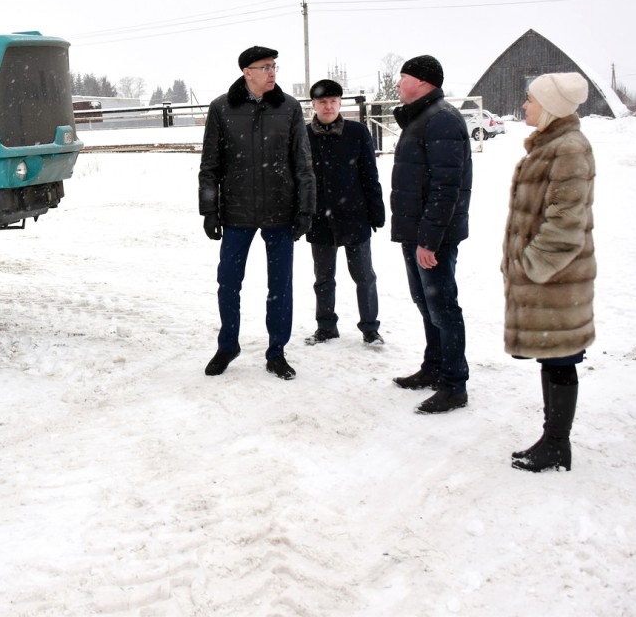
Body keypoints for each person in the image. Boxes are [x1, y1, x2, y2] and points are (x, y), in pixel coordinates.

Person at [199, 46, 316, 380]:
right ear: (246, 72)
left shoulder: (289, 108)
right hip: (236, 213)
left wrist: (306, 208)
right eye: (265, 67)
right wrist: (209, 209)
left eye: (274, 66)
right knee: (228, 283)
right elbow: (210, 164)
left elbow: (303, 164)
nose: (272, 72)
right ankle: (227, 345)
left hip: (281, 212)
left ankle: (276, 351)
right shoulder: (222, 109)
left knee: (280, 285)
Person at [504, 72, 594, 472]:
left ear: (551, 106)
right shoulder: (551, 144)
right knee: (553, 358)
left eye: (530, 99)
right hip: (551, 280)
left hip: (557, 280)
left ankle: (557, 445)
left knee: (561, 359)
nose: (525, 105)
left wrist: (532, 266)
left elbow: (565, 224)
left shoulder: (568, 148)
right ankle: (551, 439)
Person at [388, 55, 473, 414]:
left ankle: (454, 384)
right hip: (417, 232)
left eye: (402, 77)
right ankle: (434, 366)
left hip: (432, 236)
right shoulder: (424, 117)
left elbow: (446, 186)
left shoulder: (441, 120)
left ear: (422, 82)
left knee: (443, 307)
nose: (397, 83)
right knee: (427, 304)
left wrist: (429, 240)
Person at [302, 79, 386, 346]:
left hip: (355, 216)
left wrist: (376, 211)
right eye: (322, 102)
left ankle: (370, 328)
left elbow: (369, 175)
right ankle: (326, 326)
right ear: (313, 104)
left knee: (364, 276)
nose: (328, 106)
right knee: (323, 278)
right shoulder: (304, 136)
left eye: (333, 101)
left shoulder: (357, 133)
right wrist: (299, 214)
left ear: (340, 103)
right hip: (319, 219)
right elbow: (298, 179)